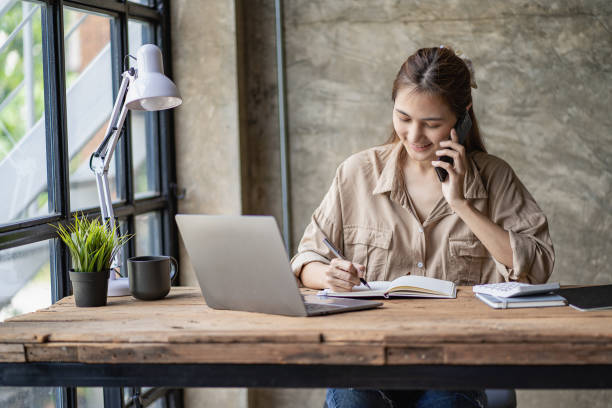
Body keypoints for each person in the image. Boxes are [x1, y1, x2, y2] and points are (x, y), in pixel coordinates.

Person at [290, 46, 555, 408]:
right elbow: (305, 259)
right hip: (367, 359)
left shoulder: (495, 177)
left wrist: (461, 203)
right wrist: (328, 276)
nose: (414, 135)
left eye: (431, 123)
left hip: (457, 363)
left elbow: (537, 267)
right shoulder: (356, 172)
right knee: (353, 398)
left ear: (462, 117)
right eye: (403, 117)